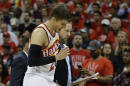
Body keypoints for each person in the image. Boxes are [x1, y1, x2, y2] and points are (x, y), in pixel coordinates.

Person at [23, 3, 71, 86]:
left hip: (47, 78)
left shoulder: (55, 33)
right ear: (54, 19)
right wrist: (56, 57)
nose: (63, 27)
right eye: (62, 24)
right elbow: (31, 61)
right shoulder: (40, 32)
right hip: (36, 78)